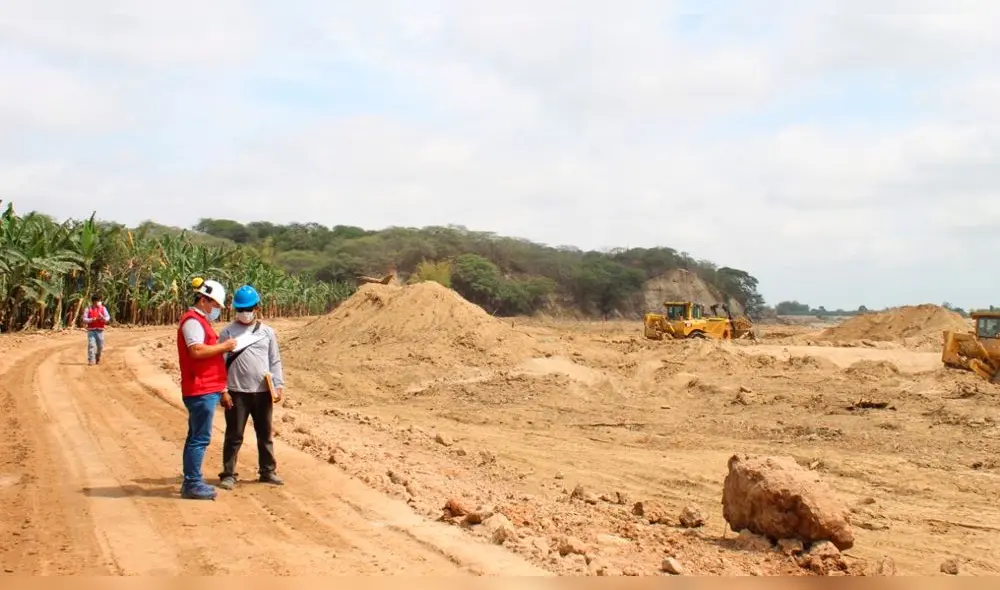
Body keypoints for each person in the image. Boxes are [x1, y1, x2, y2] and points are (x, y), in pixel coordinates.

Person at [217, 284, 285, 490]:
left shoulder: (267, 333)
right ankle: (228, 473)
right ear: (235, 310)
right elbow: (219, 365)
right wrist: (223, 390)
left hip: (263, 392)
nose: (244, 313)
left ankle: (267, 471)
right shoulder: (227, 333)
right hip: (236, 393)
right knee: (234, 435)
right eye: (240, 309)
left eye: (248, 309)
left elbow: (275, 360)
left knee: (265, 434)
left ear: (257, 308)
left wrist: (278, 384)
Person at [176, 277, 236, 500]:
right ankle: (192, 483)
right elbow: (197, 351)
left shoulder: (200, 321)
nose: (216, 310)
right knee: (199, 438)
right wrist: (225, 346)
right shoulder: (192, 321)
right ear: (203, 300)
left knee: (196, 436)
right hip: (200, 388)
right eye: (215, 305)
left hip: (207, 387)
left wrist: (221, 389)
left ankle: (191, 481)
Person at [82, 294, 110, 365]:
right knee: (91, 345)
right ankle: (91, 360)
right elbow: (84, 319)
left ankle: (98, 357)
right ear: (93, 301)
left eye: (99, 300)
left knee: (100, 346)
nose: (99, 302)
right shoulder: (88, 309)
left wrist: (103, 318)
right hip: (91, 330)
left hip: (100, 330)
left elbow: (108, 317)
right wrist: (92, 319)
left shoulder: (103, 308)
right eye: (98, 301)